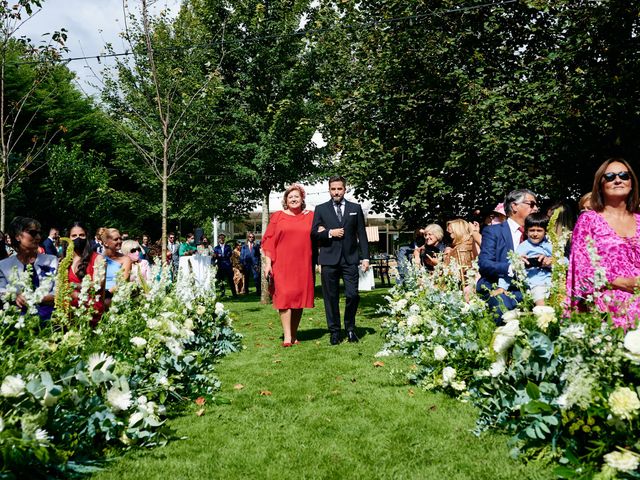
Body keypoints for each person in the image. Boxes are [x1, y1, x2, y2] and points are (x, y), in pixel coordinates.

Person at [567, 158, 640, 329]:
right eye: (610, 176)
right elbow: (581, 270)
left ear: (632, 183)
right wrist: (623, 283)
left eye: (624, 175)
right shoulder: (589, 220)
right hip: (607, 301)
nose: (618, 180)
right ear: (600, 185)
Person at [311, 176, 369, 345]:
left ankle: (350, 329)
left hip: (350, 259)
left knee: (353, 295)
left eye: (339, 189)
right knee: (331, 297)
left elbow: (362, 235)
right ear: (329, 190)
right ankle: (335, 331)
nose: (336, 192)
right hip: (329, 259)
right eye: (333, 189)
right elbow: (314, 233)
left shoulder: (355, 208)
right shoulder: (321, 209)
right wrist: (329, 232)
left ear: (345, 189)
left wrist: (365, 257)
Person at [263, 184, 315, 346]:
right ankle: (287, 336)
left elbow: (320, 233)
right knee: (285, 296)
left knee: (299, 299)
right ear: (285, 200)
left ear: (302, 199)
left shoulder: (311, 216)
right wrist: (268, 263)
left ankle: (294, 334)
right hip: (282, 264)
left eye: (297, 196)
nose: (293, 199)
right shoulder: (277, 216)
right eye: (290, 197)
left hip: (303, 263)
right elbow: (268, 241)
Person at [477, 188, 539, 323]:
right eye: (532, 204)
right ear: (514, 206)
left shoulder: (538, 233)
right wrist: (512, 267)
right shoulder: (493, 232)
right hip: (498, 289)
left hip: (533, 289)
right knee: (503, 309)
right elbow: (485, 264)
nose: (536, 209)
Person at [0, 217, 57, 321]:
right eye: (33, 233)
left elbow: (58, 291)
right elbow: (1, 290)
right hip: (15, 321)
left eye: (39, 233)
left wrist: (35, 298)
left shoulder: (52, 261)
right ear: (18, 236)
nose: (38, 237)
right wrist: (14, 295)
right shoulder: (4, 266)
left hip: (49, 321)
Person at [67, 222, 105, 324]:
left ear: (87, 237)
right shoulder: (65, 260)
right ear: (68, 238)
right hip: (68, 312)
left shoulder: (98, 258)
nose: (78, 238)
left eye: (81, 235)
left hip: (91, 311)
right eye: (74, 236)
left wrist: (75, 287)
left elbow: (98, 285)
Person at [515, 213, 553, 306]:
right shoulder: (523, 247)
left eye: (539, 230)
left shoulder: (550, 245)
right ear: (526, 231)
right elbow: (511, 265)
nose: (535, 234)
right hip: (535, 283)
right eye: (532, 230)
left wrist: (551, 261)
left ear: (545, 232)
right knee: (541, 303)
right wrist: (519, 262)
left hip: (552, 282)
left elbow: (565, 261)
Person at [444, 218, 478, 284]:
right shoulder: (467, 244)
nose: (449, 235)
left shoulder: (463, 247)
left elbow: (460, 272)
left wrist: (439, 264)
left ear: (457, 232)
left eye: (450, 232)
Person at [101, 228, 132, 294]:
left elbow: (123, 281)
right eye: (116, 239)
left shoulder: (126, 259)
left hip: (115, 295)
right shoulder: (99, 258)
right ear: (106, 243)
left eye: (120, 239)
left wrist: (107, 294)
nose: (120, 241)